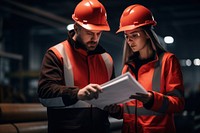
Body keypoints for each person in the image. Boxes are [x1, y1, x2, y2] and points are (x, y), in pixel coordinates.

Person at [104, 4, 185, 133]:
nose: (130, 41)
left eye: (134, 35)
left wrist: (151, 99)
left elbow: (178, 103)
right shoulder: (128, 67)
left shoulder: (167, 61)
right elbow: (128, 108)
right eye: (126, 36)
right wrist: (117, 110)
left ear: (147, 34)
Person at [37, 0, 115, 133]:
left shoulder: (106, 59)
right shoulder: (56, 54)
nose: (95, 39)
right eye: (90, 33)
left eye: (99, 33)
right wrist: (77, 94)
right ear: (76, 27)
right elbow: (45, 95)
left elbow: (112, 101)